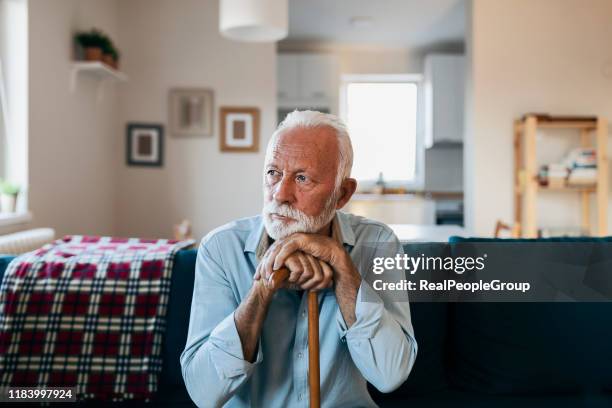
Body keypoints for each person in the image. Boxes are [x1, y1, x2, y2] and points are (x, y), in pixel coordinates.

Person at [180, 110, 417, 407]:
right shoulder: (220, 248)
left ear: (342, 194)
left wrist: (343, 268)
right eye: (273, 173)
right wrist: (263, 287)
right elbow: (204, 393)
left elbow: (389, 374)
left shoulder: (378, 244)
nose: (281, 194)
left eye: (302, 178)